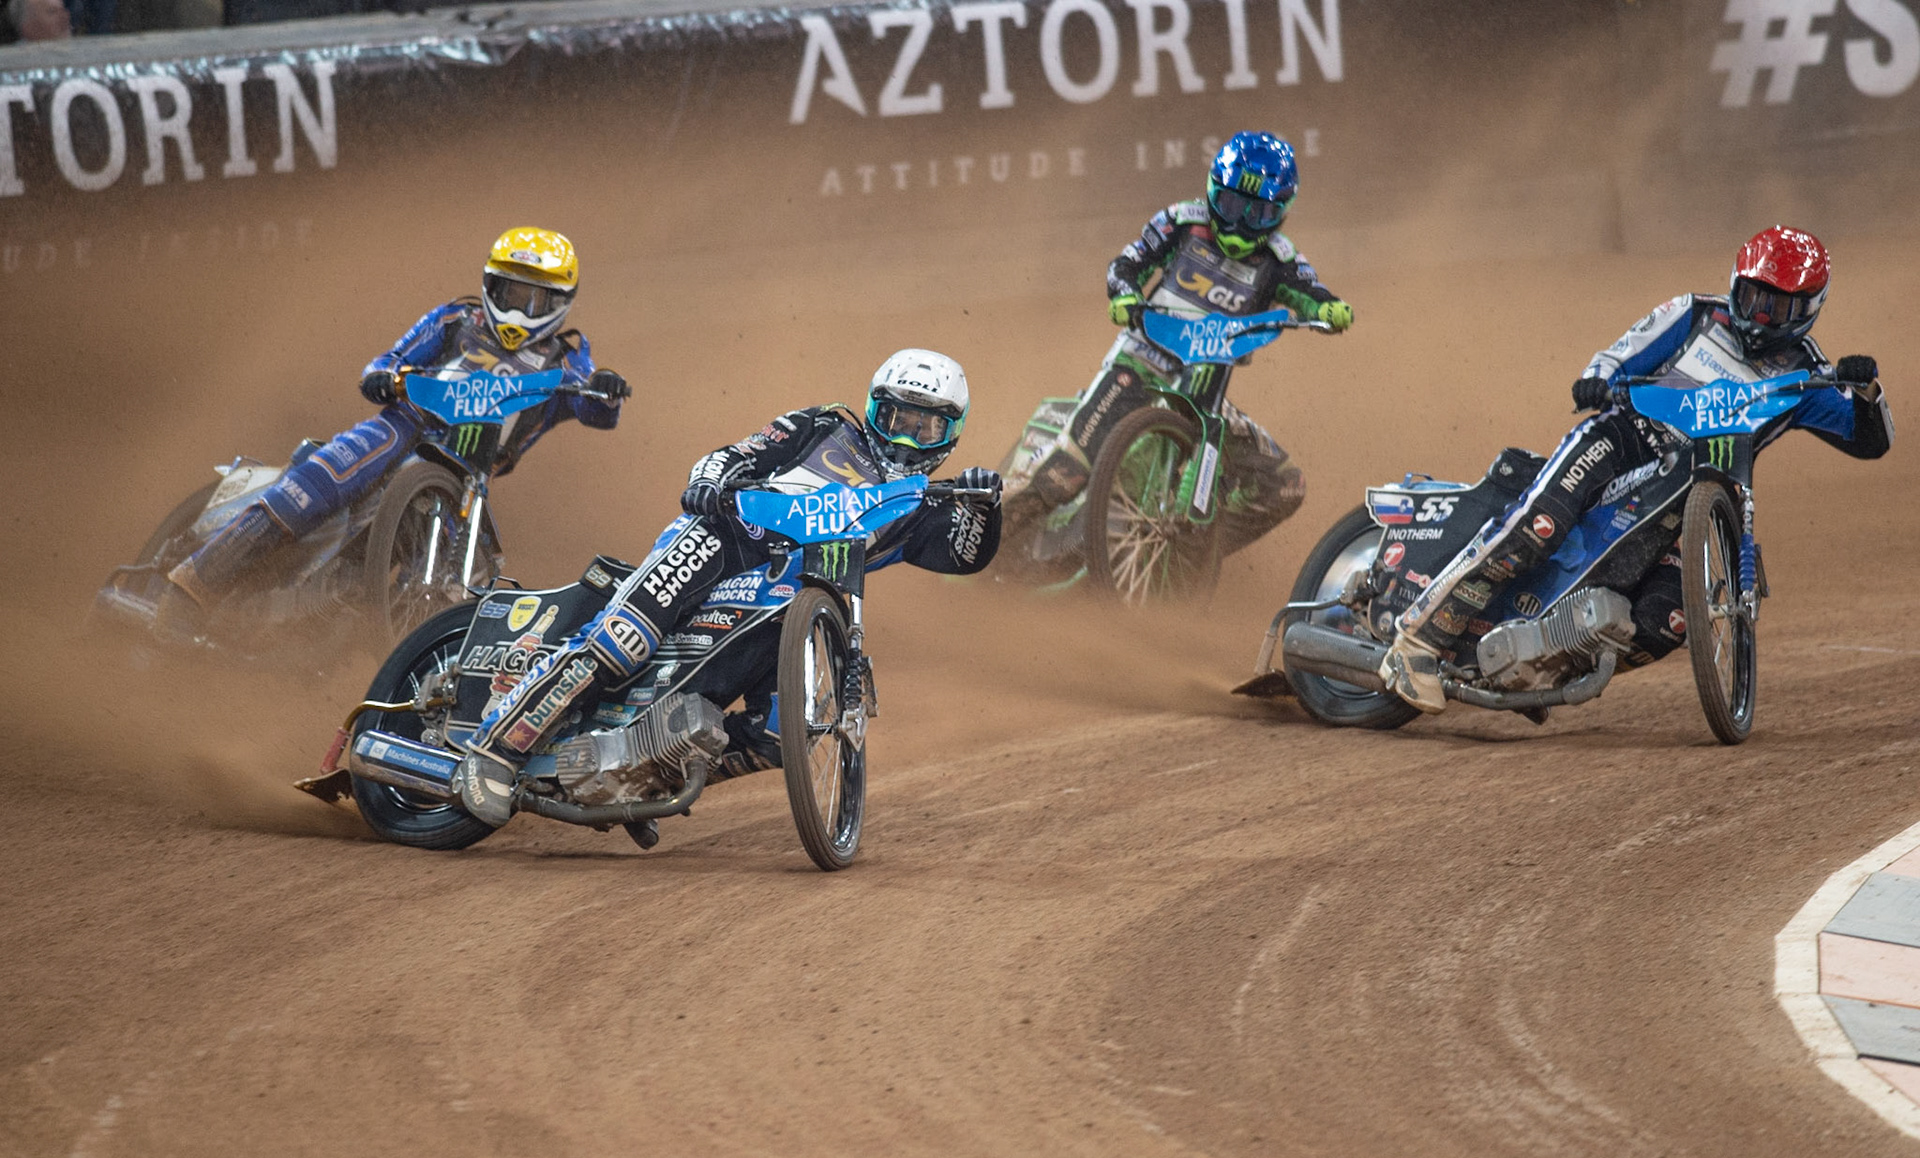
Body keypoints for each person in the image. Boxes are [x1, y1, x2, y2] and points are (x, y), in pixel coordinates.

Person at [449, 349, 1004, 826]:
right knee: (623, 641)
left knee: (779, 735)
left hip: (792, 600)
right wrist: (710, 483)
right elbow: (733, 455)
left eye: (923, 426)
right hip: (721, 540)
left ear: (949, 434)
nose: (905, 435)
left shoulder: (921, 505)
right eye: (895, 417)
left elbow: (964, 554)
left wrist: (988, 504)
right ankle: (495, 749)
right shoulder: (823, 426)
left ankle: (651, 771)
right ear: (872, 408)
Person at [1379, 225, 1893, 713]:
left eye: (1775, 307)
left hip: (1701, 489)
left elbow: (1871, 440)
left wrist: (1868, 391)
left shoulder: (1809, 375)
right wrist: (1596, 381)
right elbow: (1617, 356)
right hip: (1624, 440)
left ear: (1806, 311)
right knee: (1540, 524)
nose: (1758, 317)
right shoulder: (1693, 315)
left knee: (1666, 619)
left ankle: (1544, 667)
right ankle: (1417, 641)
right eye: (1753, 298)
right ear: (1736, 284)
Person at [158, 227, 629, 631]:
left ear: (561, 303)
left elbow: (595, 406)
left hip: (469, 476)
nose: (520, 308)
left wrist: (605, 388)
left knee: (481, 573)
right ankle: (194, 583)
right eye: (511, 292)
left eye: (536, 298)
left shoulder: (566, 358)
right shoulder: (456, 319)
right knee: (336, 471)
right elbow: (386, 362)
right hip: (406, 426)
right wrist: (385, 377)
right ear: (489, 286)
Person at [1003, 129, 1353, 557]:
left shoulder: (1280, 260)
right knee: (1066, 472)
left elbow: (1310, 292)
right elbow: (1126, 264)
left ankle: (1186, 554)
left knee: (1285, 485)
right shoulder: (1182, 222)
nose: (1240, 222)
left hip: (1206, 386)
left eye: (1257, 213)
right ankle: (987, 538)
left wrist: (1329, 309)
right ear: (1212, 192)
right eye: (1230, 205)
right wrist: (1125, 294)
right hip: (1141, 363)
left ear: (1280, 213)